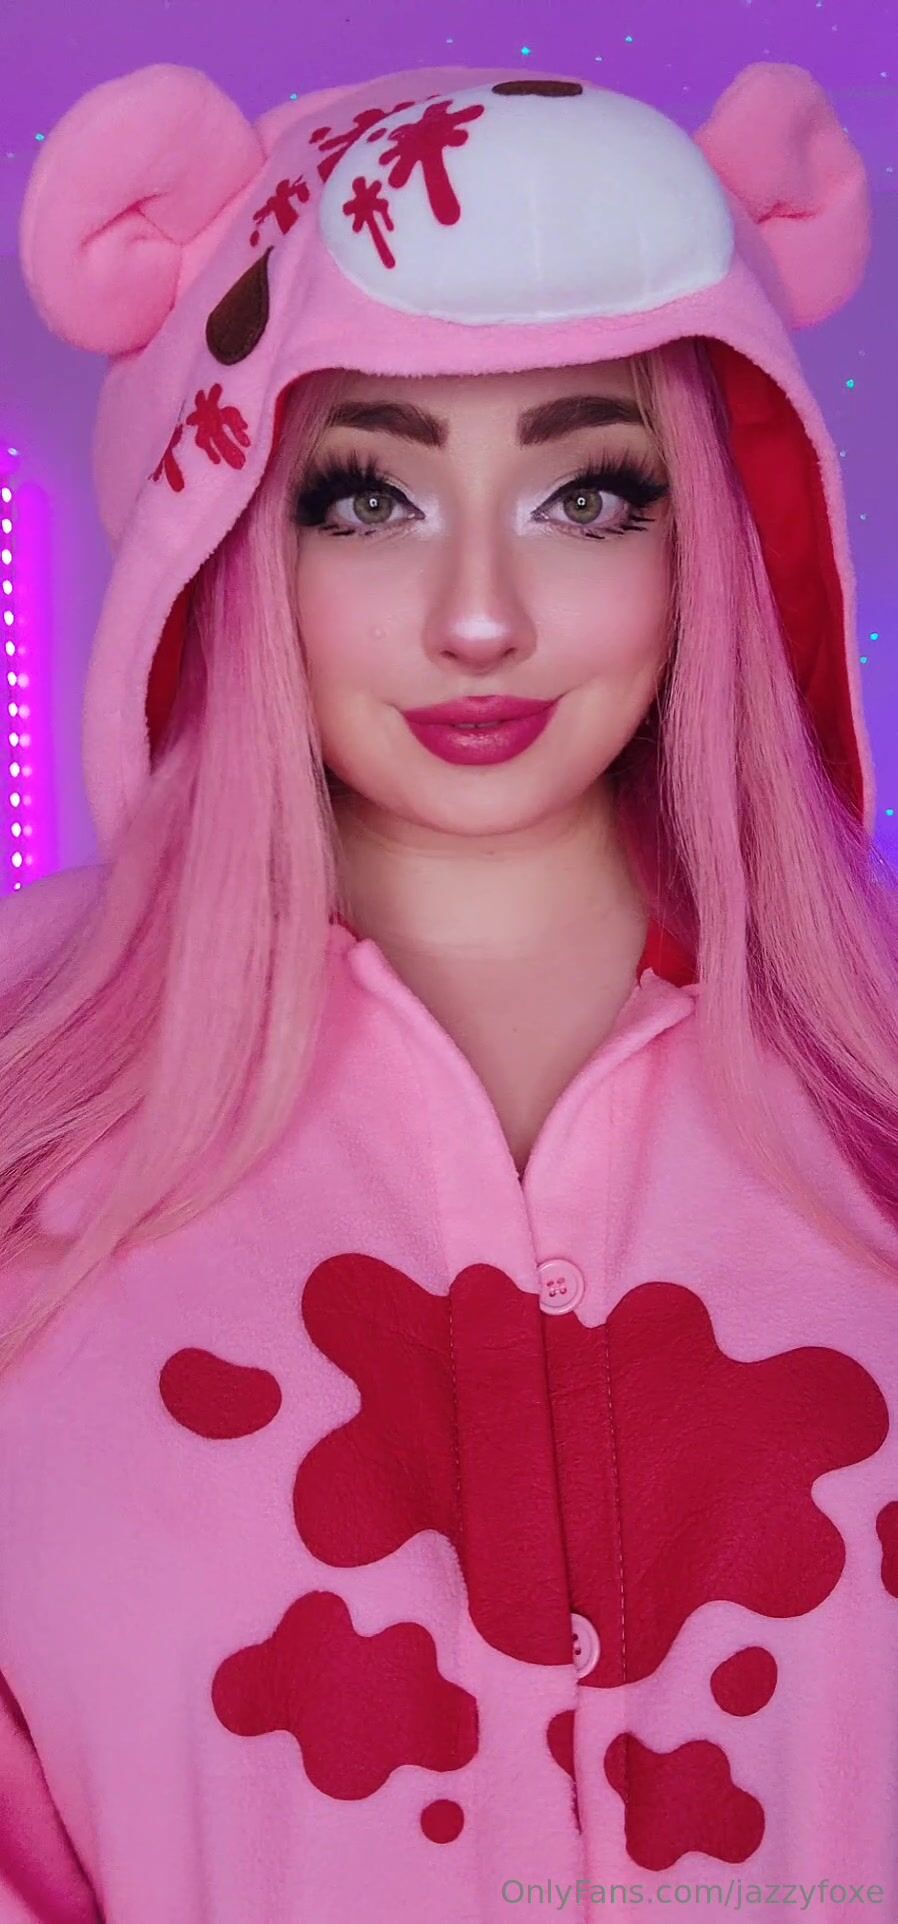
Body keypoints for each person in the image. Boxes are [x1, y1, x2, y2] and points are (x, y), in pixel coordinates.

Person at [0, 53, 897, 1924]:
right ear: (225, 529)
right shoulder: (27, 1101)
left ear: (711, 530)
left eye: (588, 497)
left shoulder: (866, 1087)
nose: (477, 615)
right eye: (365, 499)